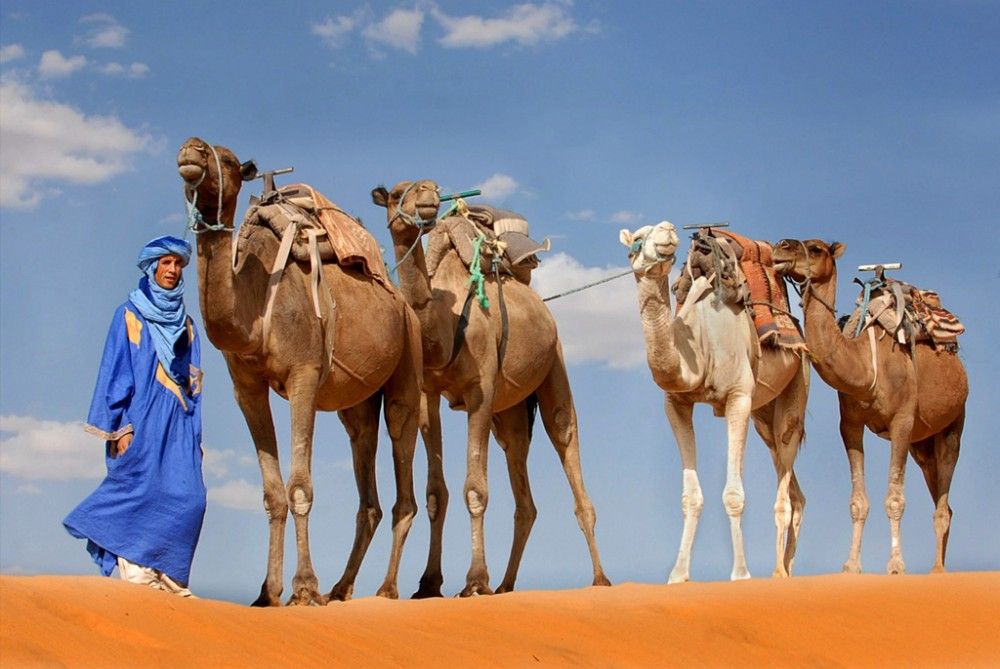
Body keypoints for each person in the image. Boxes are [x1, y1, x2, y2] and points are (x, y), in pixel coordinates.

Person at [64, 235, 206, 597]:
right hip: (140, 418)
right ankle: (136, 566)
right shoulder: (130, 314)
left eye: (178, 264)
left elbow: (193, 383)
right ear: (152, 266)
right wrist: (119, 428)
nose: (173, 270)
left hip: (179, 422)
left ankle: (170, 572)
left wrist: (196, 435)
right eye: (167, 263)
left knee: (190, 498)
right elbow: (115, 370)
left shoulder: (187, 324)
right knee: (139, 489)